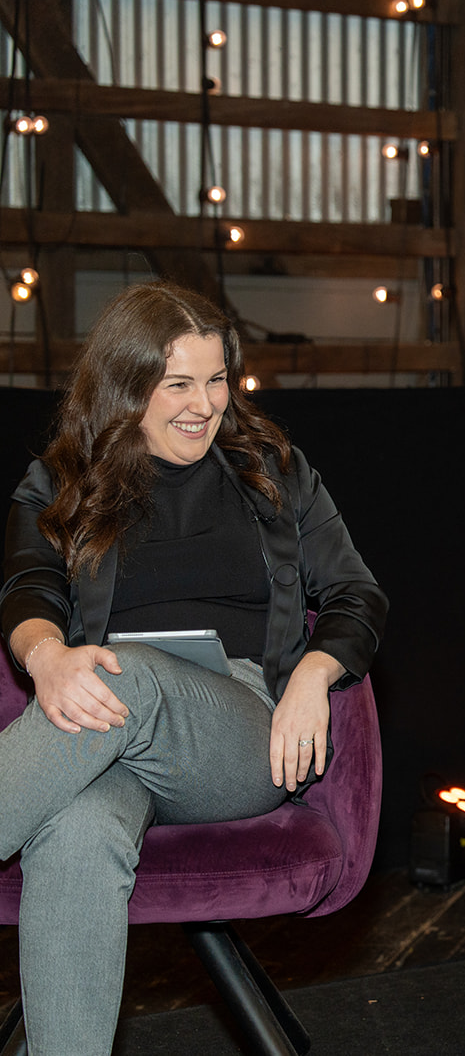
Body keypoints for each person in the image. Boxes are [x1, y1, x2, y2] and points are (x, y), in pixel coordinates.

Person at [0, 281, 387, 1054]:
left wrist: (312, 676)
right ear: (126, 383)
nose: (204, 404)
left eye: (217, 380)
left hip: (241, 731)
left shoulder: (276, 470)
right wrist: (45, 657)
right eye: (178, 383)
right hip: (101, 742)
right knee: (75, 832)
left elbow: (356, 592)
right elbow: (27, 584)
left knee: (126, 672)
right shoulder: (62, 480)